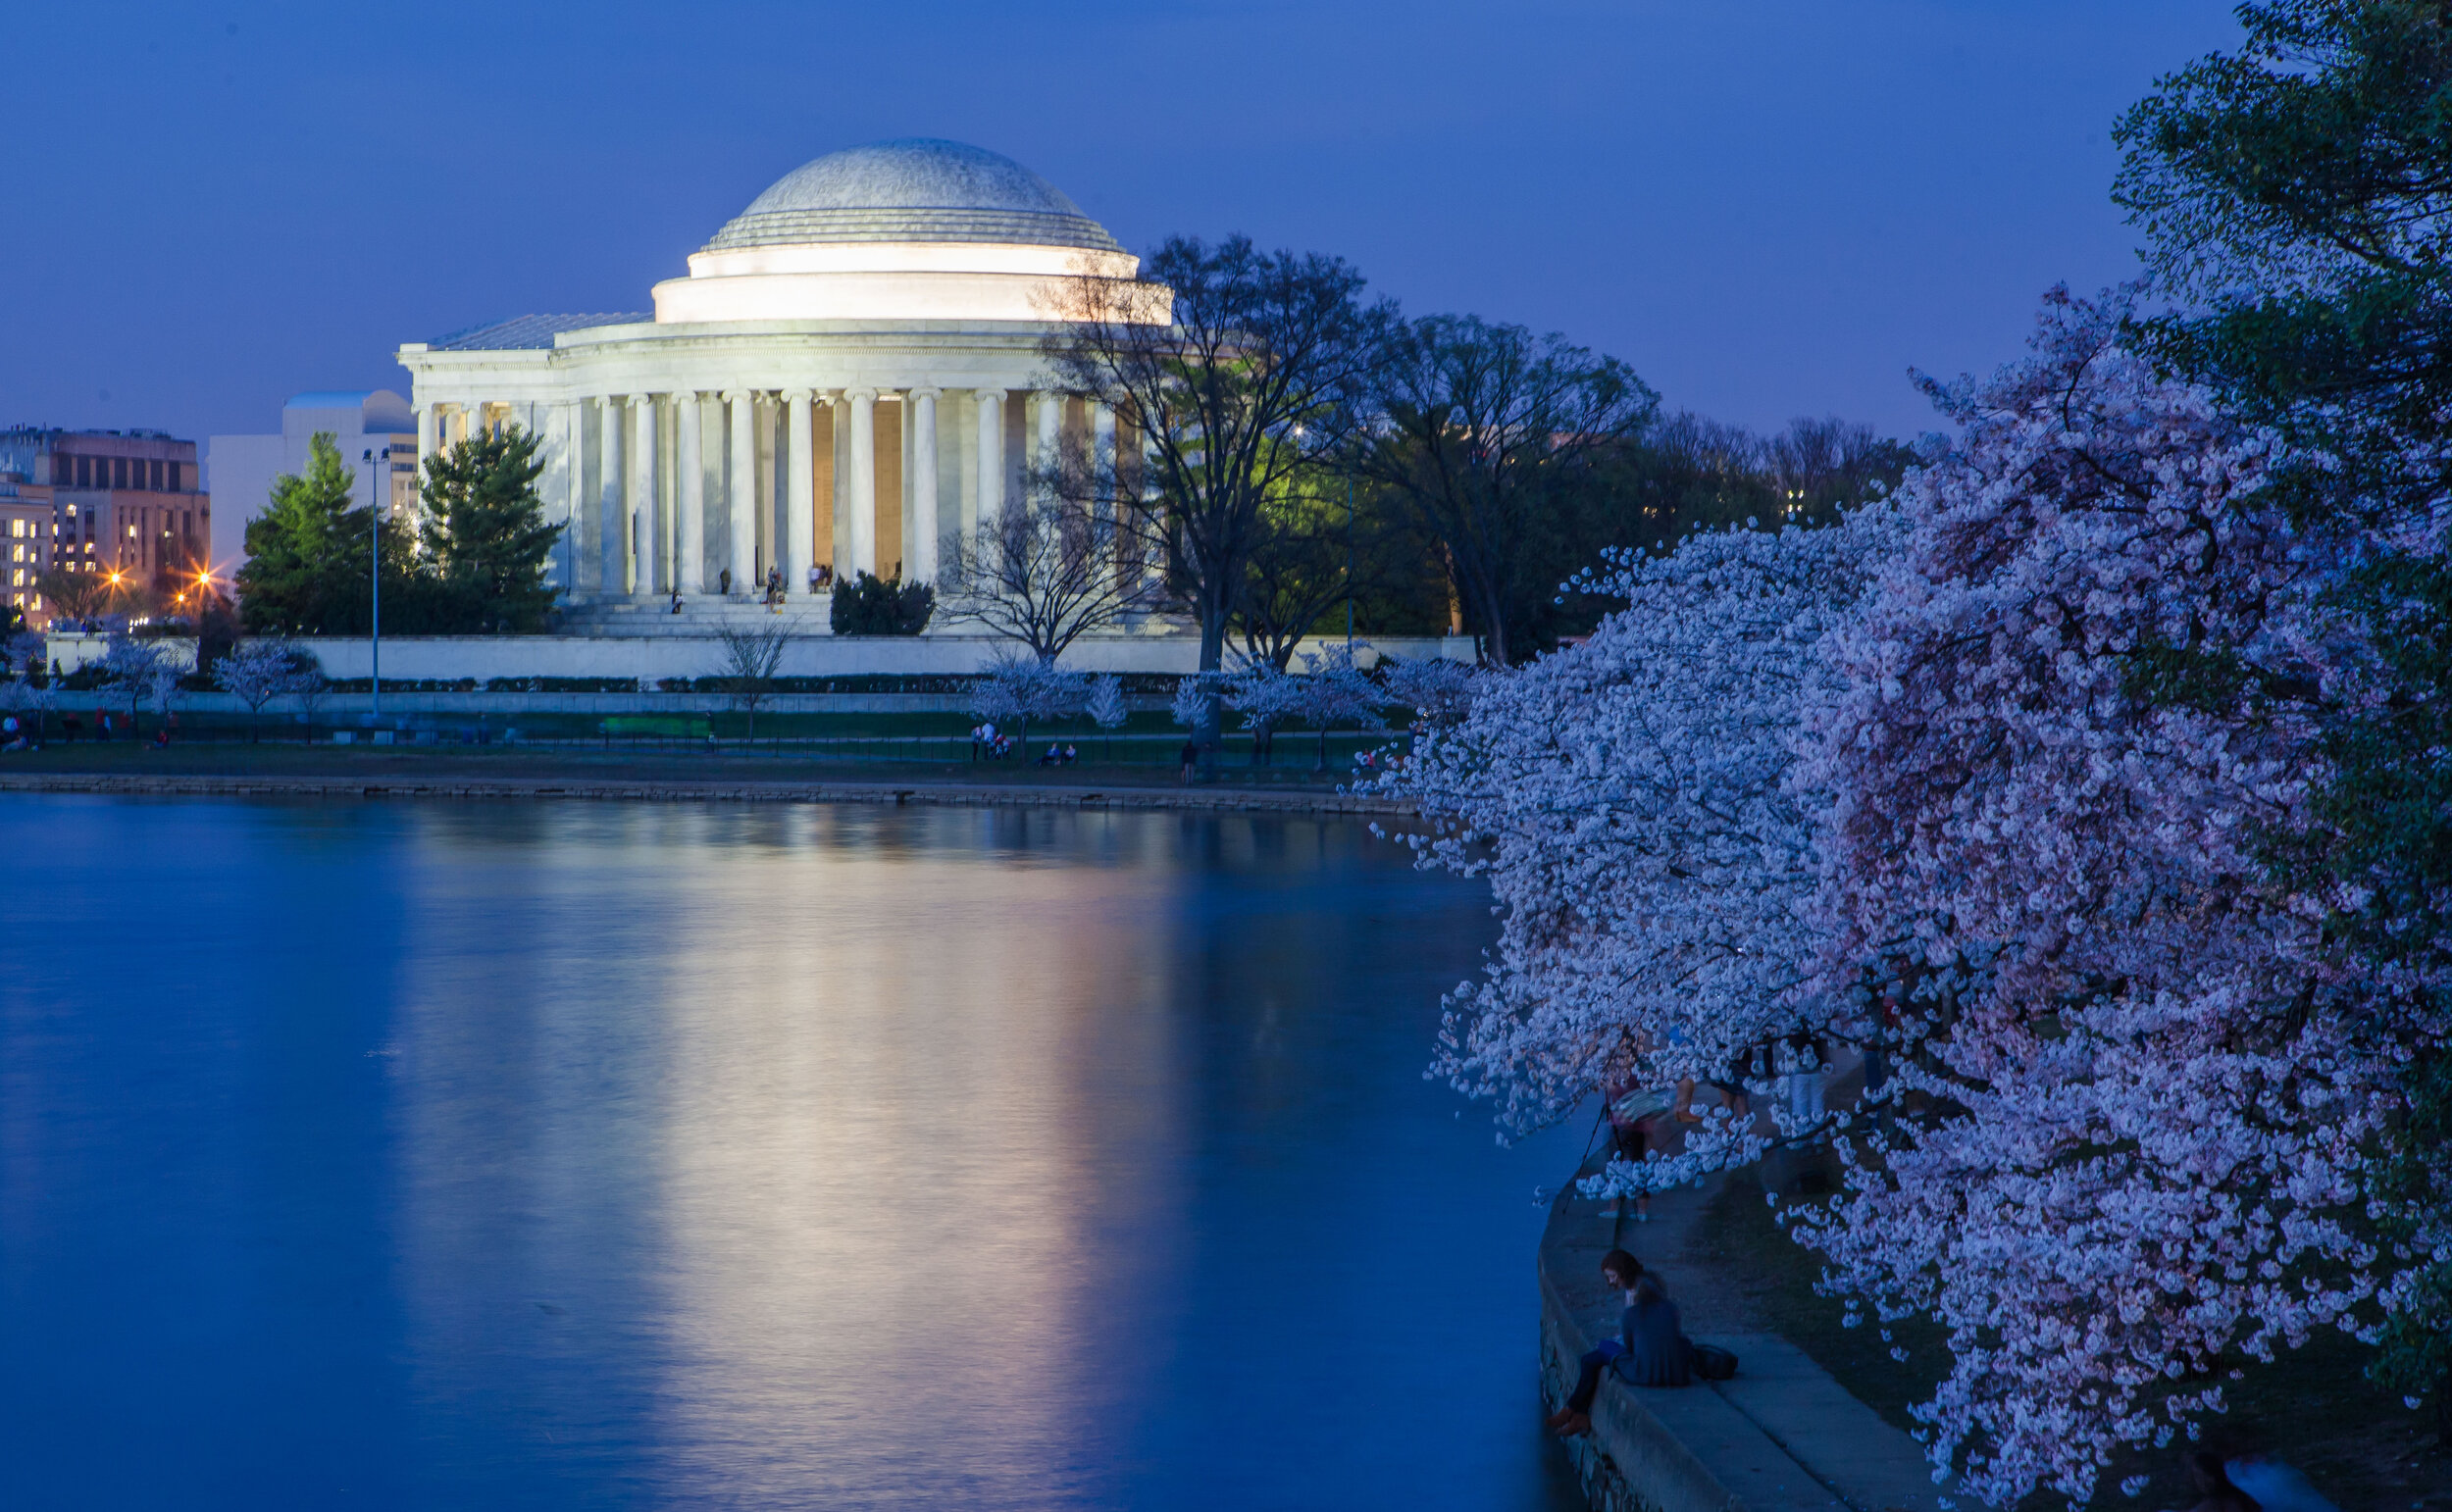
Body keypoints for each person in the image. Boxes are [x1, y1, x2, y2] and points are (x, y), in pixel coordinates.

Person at [1550, 1252, 1694, 1436]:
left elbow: (1630, 1348)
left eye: (1612, 1276)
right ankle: (1577, 1415)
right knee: (1596, 1355)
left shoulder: (1632, 1314)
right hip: (1677, 1372)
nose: (1610, 1282)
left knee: (1597, 1352)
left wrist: (1614, 1343)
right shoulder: (1670, 1308)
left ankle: (1573, 1412)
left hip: (1645, 1373)